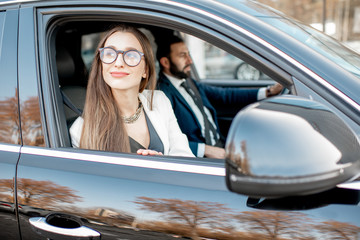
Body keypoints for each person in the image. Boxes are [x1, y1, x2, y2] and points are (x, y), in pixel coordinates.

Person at [70, 25, 193, 157]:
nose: (118, 62)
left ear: (145, 70)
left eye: (131, 55)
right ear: (101, 66)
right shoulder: (81, 130)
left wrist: (164, 163)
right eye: (110, 53)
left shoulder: (159, 100)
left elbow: (185, 156)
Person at [156, 35, 282, 159]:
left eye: (188, 54)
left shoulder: (189, 82)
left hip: (220, 144)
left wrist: (269, 92)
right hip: (201, 158)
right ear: (165, 62)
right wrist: (206, 150)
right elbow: (165, 140)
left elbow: (225, 95)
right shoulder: (161, 94)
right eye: (183, 55)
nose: (190, 60)